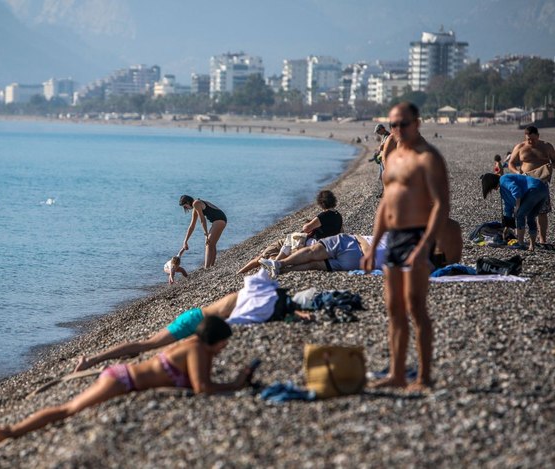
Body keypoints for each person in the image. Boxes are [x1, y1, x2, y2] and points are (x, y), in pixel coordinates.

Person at [0, 316, 255, 451]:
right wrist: (236, 384)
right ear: (215, 339)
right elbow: (202, 388)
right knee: (70, 410)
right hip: (121, 380)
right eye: (224, 343)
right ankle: (9, 430)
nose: (225, 347)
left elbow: (202, 383)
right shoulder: (195, 349)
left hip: (127, 381)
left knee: (71, 410)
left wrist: (234, 383)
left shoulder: (202, 351)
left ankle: (10, 431)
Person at [360, 102, 450, 392]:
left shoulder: (428, 158)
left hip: (416, 235)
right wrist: (373, 247)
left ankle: (424, 377)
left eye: (403, 124)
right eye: (393, 124)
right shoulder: (394, 155)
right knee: (394, 308)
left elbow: (441, 205)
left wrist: (425, 245)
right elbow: (386, 202)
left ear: (417, 123)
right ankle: (397, 374)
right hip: (395, 237)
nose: (397, 129)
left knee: (416, 307)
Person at [73, 270, 310, 373]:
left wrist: (296, 315)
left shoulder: (256, 297)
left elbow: (271, 309)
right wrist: (295, 314)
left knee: (152, 350)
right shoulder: (253, 300)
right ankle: (92, 360)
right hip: (193, 320)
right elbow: (264, 311)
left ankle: (111, 364)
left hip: (197, 319)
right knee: (148, 344)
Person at [257, 219, 462, 276]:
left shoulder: (402, 240)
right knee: (317, 264)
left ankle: (280, 263)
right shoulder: (414, 258)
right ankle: (282, 268)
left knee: (313, 253)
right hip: (356, 261)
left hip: (354, 245)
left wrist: (361, 241)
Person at [507, 126, 555, 243]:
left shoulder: (547, 146)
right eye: (528, 139)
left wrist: (550, 166)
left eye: (533, 139)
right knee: (521, 210)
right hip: (525, 181)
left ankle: (542, 239)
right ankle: (522, 239)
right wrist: (517, 172)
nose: (530, 142)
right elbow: (511, 163)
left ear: (538, 136)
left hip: (541, 182)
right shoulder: (520, 147)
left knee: (542, 211)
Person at [481, 173, 549, 251]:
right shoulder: (503, 191)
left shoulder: (503, 179)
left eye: (491, 188)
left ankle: (521, 244)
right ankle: (532, 246)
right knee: (531, 217)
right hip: (543, 190)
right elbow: (508, 208)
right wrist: (506, 227)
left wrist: (517, 206)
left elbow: (516, 190)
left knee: (519, 215)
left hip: (534, 189)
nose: (494, 189)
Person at [179, 195, 227, 268]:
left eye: (185, 206)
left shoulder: (196, 203)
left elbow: (202, 220)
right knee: (212, 244)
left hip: (219, 220)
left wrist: (206, 233)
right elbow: (192, 226)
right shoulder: (195, 208)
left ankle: (206, 267)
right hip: (219, 220)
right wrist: (185, 241)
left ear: (188, 202)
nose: (186, 208)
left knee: (208, 243)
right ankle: (212, 266)